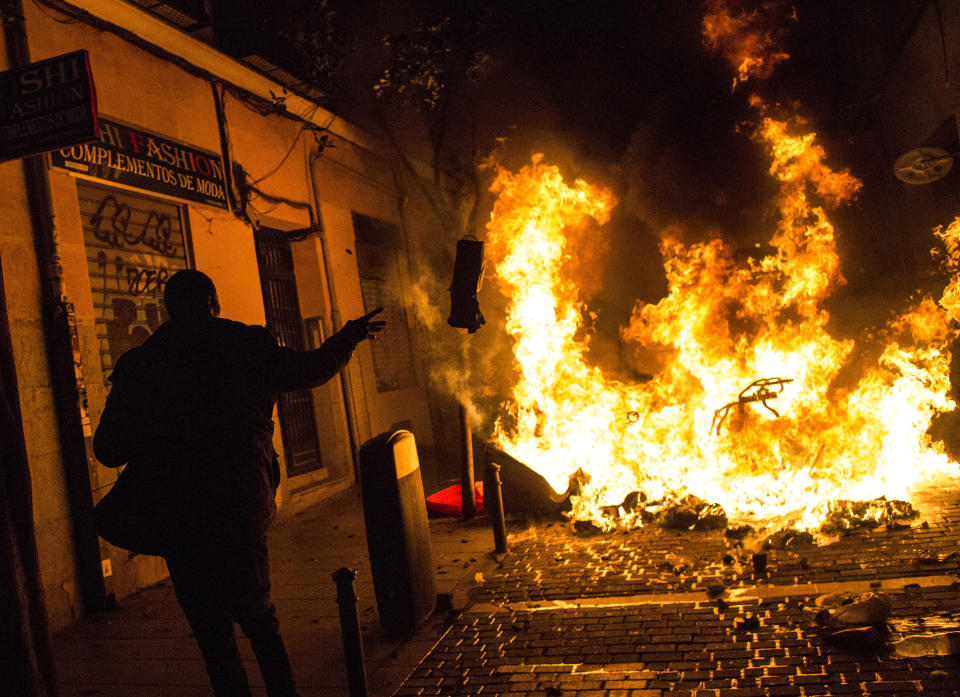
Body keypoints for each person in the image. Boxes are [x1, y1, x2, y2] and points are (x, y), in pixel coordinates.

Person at [93, 269, 384, 697]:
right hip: (238, 506)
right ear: (214, 303)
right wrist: (349, 337)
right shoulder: (246, 345)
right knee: (259, 620)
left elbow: (108, 450)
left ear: (167, 310)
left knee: (212, 634)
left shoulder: (141, 364)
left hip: (176, 515)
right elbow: (311, 369)